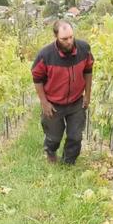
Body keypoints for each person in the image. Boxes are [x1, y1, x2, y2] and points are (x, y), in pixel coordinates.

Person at [31, 20, 94, 165]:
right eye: (64, 39)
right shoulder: (45, 55)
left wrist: (87, 95)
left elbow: (88, 71)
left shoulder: (84, 49)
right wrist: (44, 102)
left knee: (75, 136)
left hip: (76, 101)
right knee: (54, 136)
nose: (69, 41)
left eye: (71, 37)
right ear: (56, 36)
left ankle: (68, 163)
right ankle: (50, 151)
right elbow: (37, 78)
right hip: (54, 103)